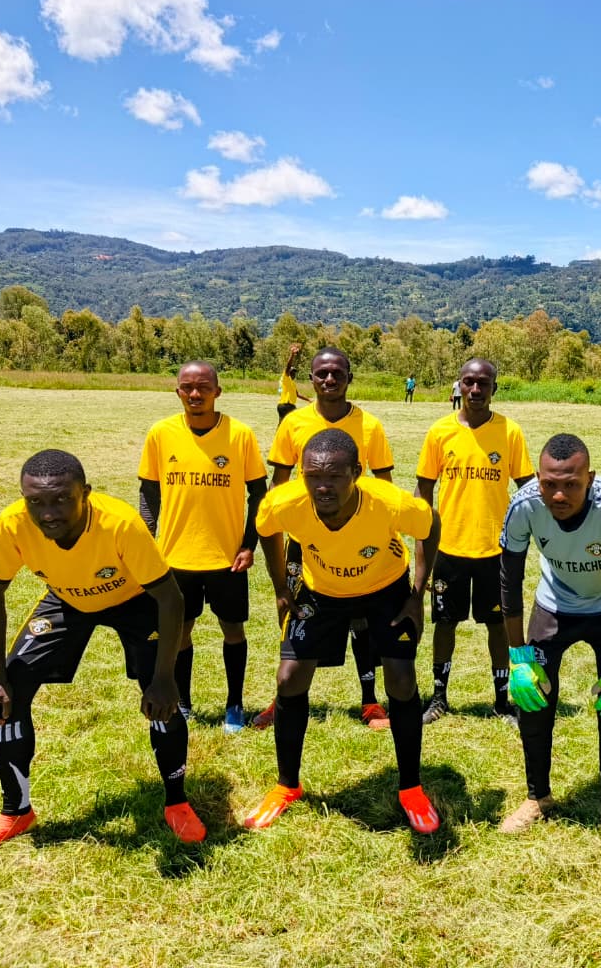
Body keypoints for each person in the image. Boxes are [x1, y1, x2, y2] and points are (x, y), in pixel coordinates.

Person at [0, 450, 204, 860]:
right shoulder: (14, 523)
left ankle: (176, 800)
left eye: (61, 500)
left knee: (161, 701)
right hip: (66, 599)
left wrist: (163, 677)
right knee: (10, 691)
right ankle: (16, 811)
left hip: (136, 601)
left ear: (85, 493)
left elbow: (170, 598)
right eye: (35, 501)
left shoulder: (120, 523)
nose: (47, 513)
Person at [244, 429, 442, 833]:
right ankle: (287, 785)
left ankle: (410, 788)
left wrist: (416, 594)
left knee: (401, 683)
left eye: (334, 476)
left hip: (385, 589)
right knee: (289, 679)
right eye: (312, 476)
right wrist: (282, 587)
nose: (322, 486)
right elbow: (265, 529)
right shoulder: (285, 501)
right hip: (323, 591)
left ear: (357, 471)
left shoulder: (390, 503)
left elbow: (430, 526)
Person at [497, 434, 601, 853]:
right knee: (534, 699)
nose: (559, 494)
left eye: (572, 484)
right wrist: (518, 656)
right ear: (538, 478)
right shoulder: (524, 503)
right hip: (554, 605)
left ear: (590, 479)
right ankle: (536, 797)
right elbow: (508, 582)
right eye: (549, 484)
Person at [253, 347, 396, 731]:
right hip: (306, 537)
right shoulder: (294, 424)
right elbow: (278, 485)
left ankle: (370, 700)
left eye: (337, 373)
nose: (329, 380)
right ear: (311, 379)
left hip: (359, 536)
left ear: (350, 377)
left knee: (362, 617)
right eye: (321, 373)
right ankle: (283, 696)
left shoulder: (370, 426)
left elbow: (385, 487)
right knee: (293, 611)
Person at [139, 361, 267, 733]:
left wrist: (249, 544)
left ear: (217, 391)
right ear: (177, 391)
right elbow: (149, 491)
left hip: (227, 559)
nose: (195, 394)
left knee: (233, 631)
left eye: (203, 387)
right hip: (175, 558)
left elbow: (258, 492)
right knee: (179, 634)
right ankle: (184, 703)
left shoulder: (239, 435)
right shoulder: (161, 434)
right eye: (187, 387)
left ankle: (234, 706)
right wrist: (147, 538)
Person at [414, 359, 535, 725]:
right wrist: (421, 536)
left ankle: (502, 701)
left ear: (494, 388)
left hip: (495, 551)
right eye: (469, 382)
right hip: (449, 549)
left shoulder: (509, 432)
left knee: (498, 625)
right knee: (445, 623)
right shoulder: (440, 432)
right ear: (459, 386)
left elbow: (527, 488)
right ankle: (438, 697)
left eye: (484, 383)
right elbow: (423, 489)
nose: (476, 390)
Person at [277, 343, 310, 425]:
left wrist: (309, 400)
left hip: (289, 405)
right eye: (292, 372)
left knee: (284, 424)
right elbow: (288, 367)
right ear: (289, 373)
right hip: (286, 405)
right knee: (290, 423)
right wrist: (292, 355)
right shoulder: (286, 379)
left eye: (295, 373)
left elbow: (297, 394)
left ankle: (280, 435)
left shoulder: (292, 383)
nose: (294, 374)